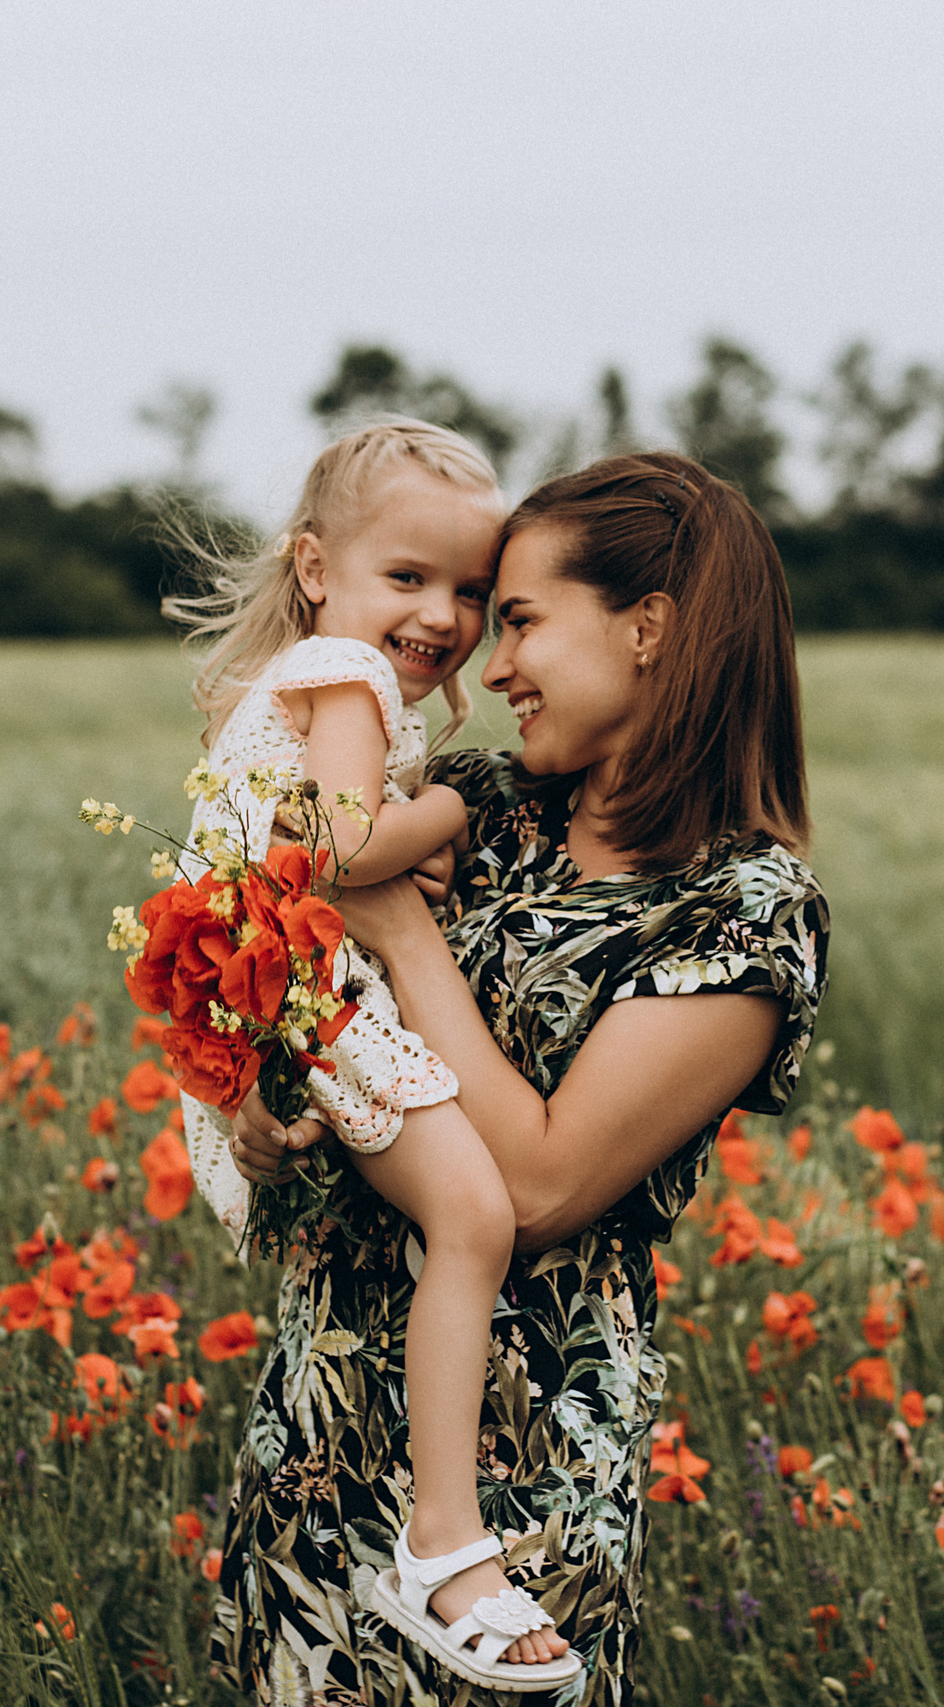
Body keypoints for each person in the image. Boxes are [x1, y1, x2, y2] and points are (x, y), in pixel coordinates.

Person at [210, 450, 830, 1705]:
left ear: (648, 629)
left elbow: (541, 1186)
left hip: (517, 1483)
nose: (489, 667)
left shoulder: (740, 913)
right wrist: (267, 1112)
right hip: (321, 1427)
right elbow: (325, 994)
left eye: (521, 620)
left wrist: (402, 932)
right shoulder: (483, 804)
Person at [166, 417, 580, 1688]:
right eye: (408, 576)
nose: (443, 616)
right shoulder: (342, 672)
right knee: (475, 1218)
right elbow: (347, 851)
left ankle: (428, 1526)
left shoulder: (328, 681)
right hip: (317, 1004)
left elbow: (330, 854)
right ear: (314, 567)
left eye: (470, 589)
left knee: (455, 1221)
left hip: (296, 999)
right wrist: (451, 806)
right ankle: (443, 1540)